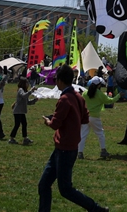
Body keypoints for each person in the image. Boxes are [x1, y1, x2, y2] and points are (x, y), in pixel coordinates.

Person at [38, 65, 108, 212]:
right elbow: (84, 119)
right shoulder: (78, 97)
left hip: (64, 149)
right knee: (44, 184)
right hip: (66, 148)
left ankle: (96, 209)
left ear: (61, 80)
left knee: (65, 189)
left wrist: (47, 121)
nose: (56, 82)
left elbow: (55, 124)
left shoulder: (64, 99)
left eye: (56, 79)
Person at [78, 77, 110, 161]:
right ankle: (103, 150)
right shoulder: (99, 94)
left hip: (85, 116)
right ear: (99, 85)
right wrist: (118, 96)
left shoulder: (85, 93)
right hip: (95, 117)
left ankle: (80, 153)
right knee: (100, 133)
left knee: (83, 135)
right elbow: (109, 100)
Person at [9, 78, 35, 145]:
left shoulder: (24, 90)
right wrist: (31, 91)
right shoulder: (20, 90)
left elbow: (27, 102)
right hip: (17, 111)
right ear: (23, 83)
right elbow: (24, 96)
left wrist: (35, 100)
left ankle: (25, 138)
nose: (28, 84)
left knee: (24, 124)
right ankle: (11, 139)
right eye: (27, 83)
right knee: (17, 125)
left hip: (21, 111)